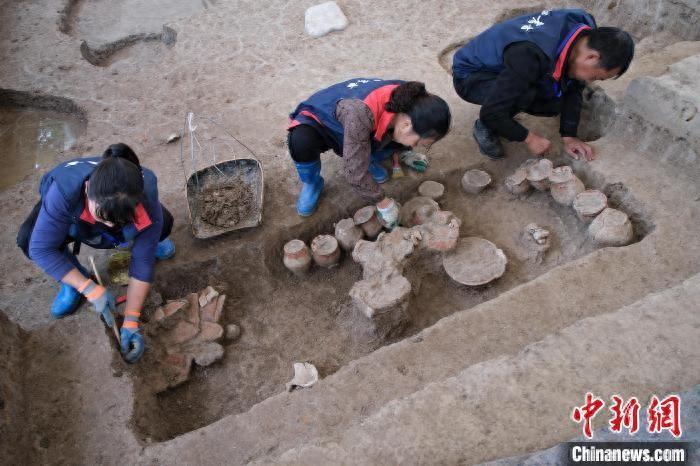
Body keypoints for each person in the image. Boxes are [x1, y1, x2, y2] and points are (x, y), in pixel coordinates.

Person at [16, 143, 175, 363]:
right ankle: (71, 278)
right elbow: (41, 248)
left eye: (115, 221)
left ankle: (143, 236)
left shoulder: (145, 197)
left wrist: (130, 320)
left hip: (121, 215)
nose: (109, 224)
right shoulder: (63, 193)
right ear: (88, 188)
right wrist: (88, 288)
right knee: (28, 240)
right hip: (74, 218)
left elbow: (142, 264)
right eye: (103, 217)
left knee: (162, 223)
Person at [452, 8, 634, 161]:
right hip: (470, 75)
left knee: (554, 99)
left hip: (509, 61)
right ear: (591, 57)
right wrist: (529, 138)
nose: (590, 81)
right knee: (527, 96)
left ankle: (506, 107)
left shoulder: (585, 33)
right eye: (595, 77)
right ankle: (484, 127)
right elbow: (491, 112)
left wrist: (569, 135)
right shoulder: (529, 55)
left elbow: (574, 86)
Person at [288, 78, 451, 217]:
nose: (414, 146)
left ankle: (368, 158)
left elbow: (399, 133)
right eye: (416, 143)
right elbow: (353, 174)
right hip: (324, 122)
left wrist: (403, 153)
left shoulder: (412, 99)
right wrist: (383, 202)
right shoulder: (360, 114)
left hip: (360, 124)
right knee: (301, 141)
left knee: (394, 140)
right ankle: (312, 183)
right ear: (407, 125)